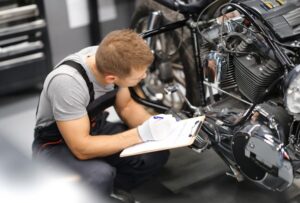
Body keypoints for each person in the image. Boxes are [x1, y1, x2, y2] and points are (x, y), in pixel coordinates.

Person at [32, 29, 170, 202]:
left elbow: (126, 107)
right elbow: (81, 148)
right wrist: (141, 134)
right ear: (111, 78)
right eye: (139, 76)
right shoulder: (67, 83)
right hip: (56, 144)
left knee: (155, 153)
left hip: (94, 126)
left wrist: (158, 127)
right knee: (99, 175)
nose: (144, 77)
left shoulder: (114, 58)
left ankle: (109, 191)